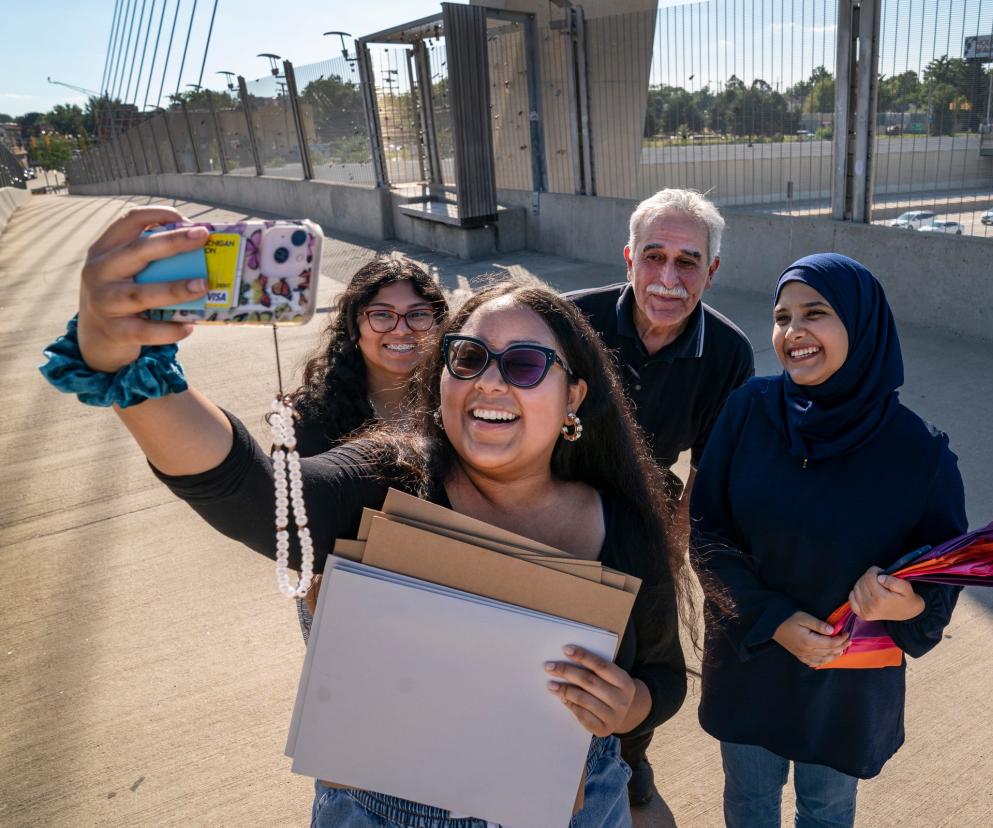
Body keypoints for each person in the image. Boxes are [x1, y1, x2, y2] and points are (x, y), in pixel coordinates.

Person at [49, 207, 689, 828]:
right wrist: (131, 364)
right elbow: (252, 490)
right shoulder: (385, 481)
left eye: (524, 364)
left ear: (573, 394)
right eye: (467, 358)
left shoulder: (626, 525)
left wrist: (630, 704)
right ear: (441, 381)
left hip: (572, 807)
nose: (491, 382)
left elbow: (662, 677)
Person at [689, 253, 968, 828]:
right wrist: (774, 621)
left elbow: (941, 579)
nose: (794, 333)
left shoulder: (919, 454)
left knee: (827, 809)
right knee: (750, 803)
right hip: (753, 658)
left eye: (815, 313)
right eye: (782, 316)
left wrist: (905, 602)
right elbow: (707, 535)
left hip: (846, 684)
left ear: (861, 323)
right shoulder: (747, 411)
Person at [566, 188, 754, 805]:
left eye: (688, 262)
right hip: (555, 486)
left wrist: (669, 555)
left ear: (712, 271)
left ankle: (630, 754)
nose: (668, 279)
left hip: (649, 500)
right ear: (628, 259)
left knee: (644, 647)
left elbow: (708, 467)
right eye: (654, 257)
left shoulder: (728, 353)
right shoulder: (568, 321)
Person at [289, 253, 448, 456]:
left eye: (417, 314)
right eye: (382, 314)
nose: (401, 330)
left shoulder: (460, 400)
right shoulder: (312, 417)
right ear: (353, 327)